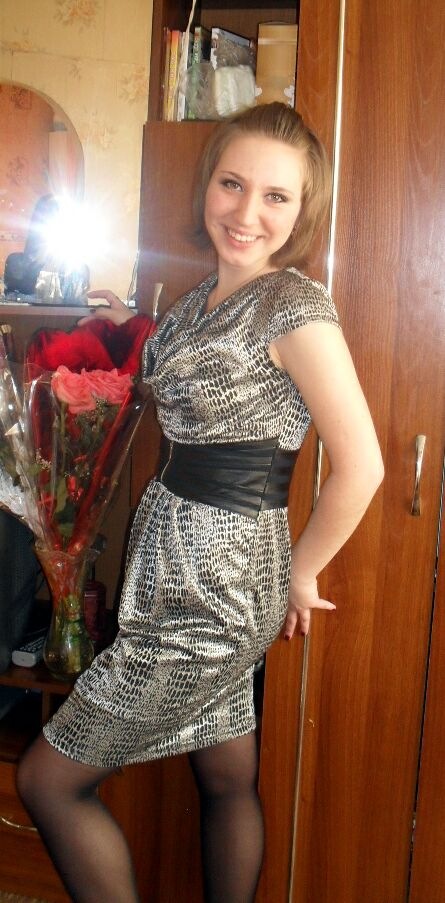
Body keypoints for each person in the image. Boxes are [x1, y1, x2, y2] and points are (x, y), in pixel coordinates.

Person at [17, 103, 383, 903]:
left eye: (275, 196)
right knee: (225, 772)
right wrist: (124, 323)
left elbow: (361, 466)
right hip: (177, 569)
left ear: (301, 210)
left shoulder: (293, 306)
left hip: (219, 585)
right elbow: (179, 373)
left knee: (47, 780)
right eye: (231, 183)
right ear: (207, 186)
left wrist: (299, 573)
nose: (246, 212)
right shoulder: (200, 298)